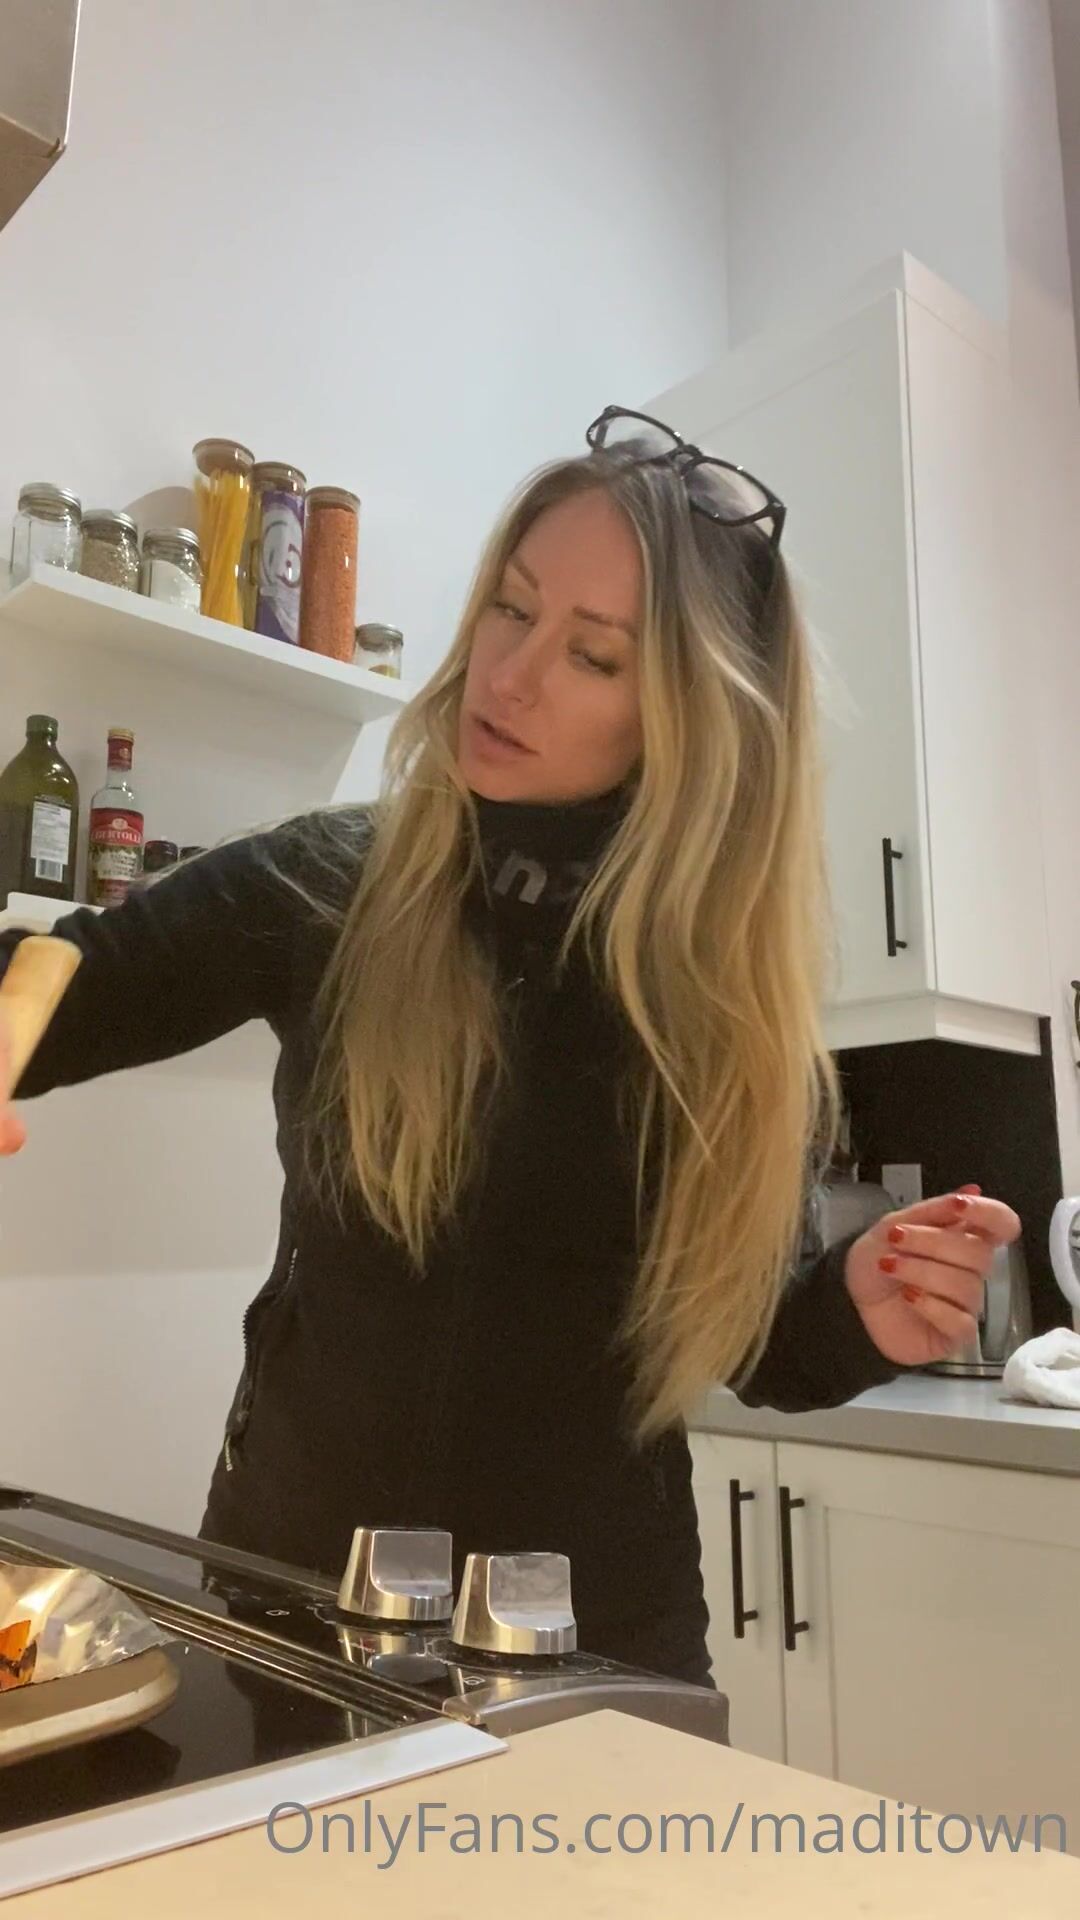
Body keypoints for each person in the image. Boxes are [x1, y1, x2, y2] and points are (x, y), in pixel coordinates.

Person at [0, 407, 1020, 1685]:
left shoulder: (718, 1004)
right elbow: (84, 972)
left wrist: (859, 1311)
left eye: (592, 656)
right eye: (511, 607)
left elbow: (752, 1344)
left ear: (691, 720)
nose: (510, 675)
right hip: (295, 1607)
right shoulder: (334, 886)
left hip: (597, 1649)